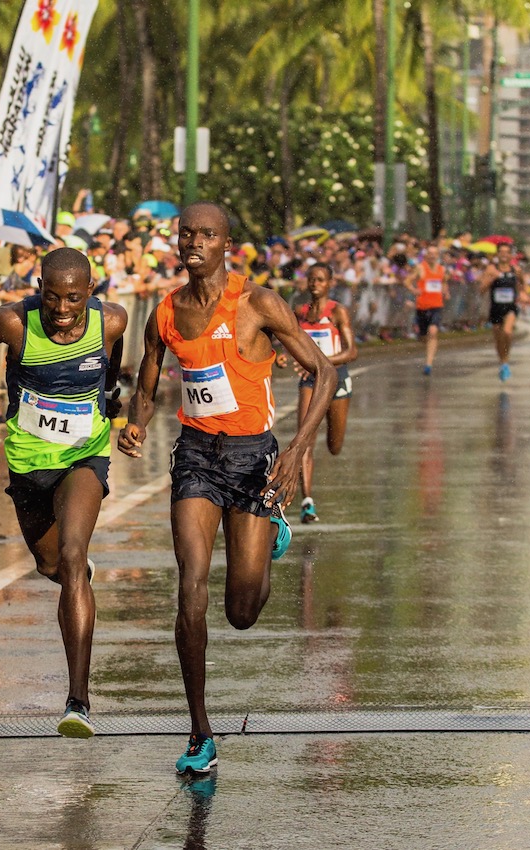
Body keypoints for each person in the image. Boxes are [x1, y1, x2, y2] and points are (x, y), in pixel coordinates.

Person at [117, 201, 337, 775]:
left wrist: (294, 452)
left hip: (253, 457)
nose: (194, 242)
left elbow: (324, 371)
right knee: (190, 583)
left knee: (242, 609)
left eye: (206, 234)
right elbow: (146, 386)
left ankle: (270, 540)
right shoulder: (164, 311)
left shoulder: (256, 303)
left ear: (225, 244)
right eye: (186, 233)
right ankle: (200, 733)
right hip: (195, 456)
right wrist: (136, 420)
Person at [0, 247, 127, 739]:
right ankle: (74, 575)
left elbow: (112, 359)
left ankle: (78, 701)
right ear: (39, 288)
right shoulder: (12, 324)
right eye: (53, 297)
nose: (62, 310)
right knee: (52, 567)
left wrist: (109, 396)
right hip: (28, 459)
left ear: (91, 293)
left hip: (85, 453)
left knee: (73, 551)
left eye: (74, 299)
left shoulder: (112, 322)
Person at [289, 263, 357, 523]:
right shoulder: (300, 313)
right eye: (311, 279)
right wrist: (284, 357)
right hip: (310, 381)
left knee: (334, 446)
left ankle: (333, 430)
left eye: (320, 280)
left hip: (337, 380)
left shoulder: (338, 312)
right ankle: (307, 502)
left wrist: (324, 360)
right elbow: (290, 341)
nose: (315, 283)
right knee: (304, 437)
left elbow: (352, 352)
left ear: (330, 283)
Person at [479, 243, 526, 382]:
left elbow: (522, 284)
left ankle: (506, 361)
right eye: (501, 252)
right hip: (496, 308)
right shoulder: (491, 269)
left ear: (511, 255)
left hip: (510, 307)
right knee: (498, 338)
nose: (504, 254)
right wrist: (492, 279)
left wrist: (523, 294)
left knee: (507, 332)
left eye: (507, 252)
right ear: (497, 254)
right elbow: (481, 290)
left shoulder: (516, 269)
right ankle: (503, 362)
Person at [404, 243, 449, 375]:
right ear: (426, 255)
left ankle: (428, 364)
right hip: (422, 307)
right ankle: (430, 348)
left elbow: (445, 282)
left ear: (438, 256)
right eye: (430, 254)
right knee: (423, 337)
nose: (432, 256)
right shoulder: (420, 268)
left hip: (436, 306)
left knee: (433, 331)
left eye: (435, 254)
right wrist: (413, 290)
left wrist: (446, 292)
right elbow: (407, 281)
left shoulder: (442, 269)